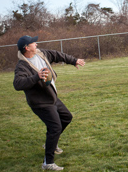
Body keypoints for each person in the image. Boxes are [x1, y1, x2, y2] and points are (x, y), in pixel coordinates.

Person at [13, 35, 85, 171]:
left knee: (66, 117)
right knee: (55, 127)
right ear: (27, 48)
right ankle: (48, 163)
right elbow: (17, 84)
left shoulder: (41, 54)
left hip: (51, 97)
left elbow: (58, 55)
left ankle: (51, 143)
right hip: (40, 102)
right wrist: (36, 76)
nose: (36, 44)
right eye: (33, 43)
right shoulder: (22, 66)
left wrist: (74, 61)